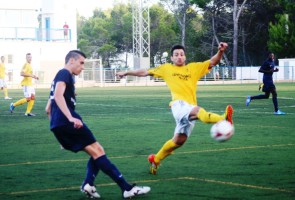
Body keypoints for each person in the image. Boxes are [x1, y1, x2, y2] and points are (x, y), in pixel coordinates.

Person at [45, 50, 150, 198]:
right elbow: (57, 96)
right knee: (98, 151)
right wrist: (70, 117)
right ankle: (127, 189)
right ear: (71, 61)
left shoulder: (60, 78)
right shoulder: (64, 73)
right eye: (81, 63)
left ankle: (88, 184)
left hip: (58, 125)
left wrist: (60, 135)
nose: (83, 67)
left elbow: (48, 109)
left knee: (97, 151)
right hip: (68, 121)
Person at [116, 43, 233, 175]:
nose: (179, 57)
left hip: (189, 106)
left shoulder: (193, 68)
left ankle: (156, 159)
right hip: (178, 105)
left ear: (185, 57)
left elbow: (213, 61)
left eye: (181, 55)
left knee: (178, 141)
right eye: (176, 55)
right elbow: (145, 72)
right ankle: (223, 118)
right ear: (171, 58)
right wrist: (126, 72)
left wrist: (221, 51)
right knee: (199, 111)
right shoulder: (166, 68)